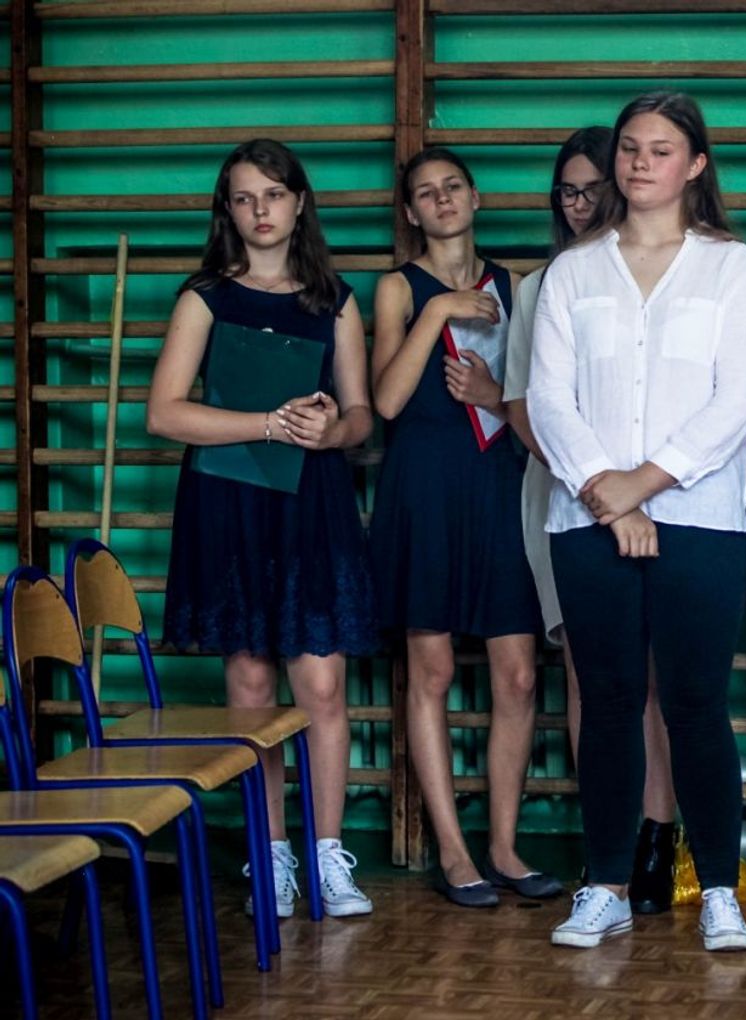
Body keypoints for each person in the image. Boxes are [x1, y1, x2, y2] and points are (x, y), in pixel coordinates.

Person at [528, 91, 746, 951]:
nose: (639, 162)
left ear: (696, 164)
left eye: (660, 149)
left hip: (700, 519)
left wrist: (641, 484)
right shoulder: (573, 272)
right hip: (586, 520)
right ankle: (604, 886)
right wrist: (607, 490)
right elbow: (549, 399)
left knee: (697, 704)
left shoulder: (731, 268)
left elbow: (736, 403)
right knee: (609, 703)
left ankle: (719, 892)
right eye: (629, 147)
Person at [148, 137, 375, 918]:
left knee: (321, 684)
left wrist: (330, 432)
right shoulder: (206, 297)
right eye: (244, 198)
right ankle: (269, 855)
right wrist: (268, 424)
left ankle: (327, 856)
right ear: (228, 210)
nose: (260, 210)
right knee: (250, 686)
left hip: (312, 502)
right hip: (230, 500)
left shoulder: (335, 300)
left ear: (299, 203)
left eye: (273, 195)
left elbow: (362, 415)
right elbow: (164, 412)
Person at [370, 146, 559, 908]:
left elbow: (538, 407)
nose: (442, 199)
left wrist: (490, 395)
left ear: (476, 197)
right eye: (426, 192)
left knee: (518, 674)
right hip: (423, 486)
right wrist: (438, 314)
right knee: (434, 672)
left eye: (453, 186)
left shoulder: (516, 286)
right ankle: (452, 852)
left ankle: (504, 846)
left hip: (499, 486)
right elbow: (385, 402)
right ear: (410, 211)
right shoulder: (397, 288)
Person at [504, 125, 682, 914]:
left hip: (666, 497)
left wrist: (636, 489)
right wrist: (602, 491)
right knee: (593, 677)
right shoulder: (541, 287)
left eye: (594, 188)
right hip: (571, 502)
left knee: (661, 678)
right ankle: (606, 843)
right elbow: (526, 407)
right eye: (567, 192)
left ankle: (660, 834)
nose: (580, 204)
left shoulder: (675, 268)